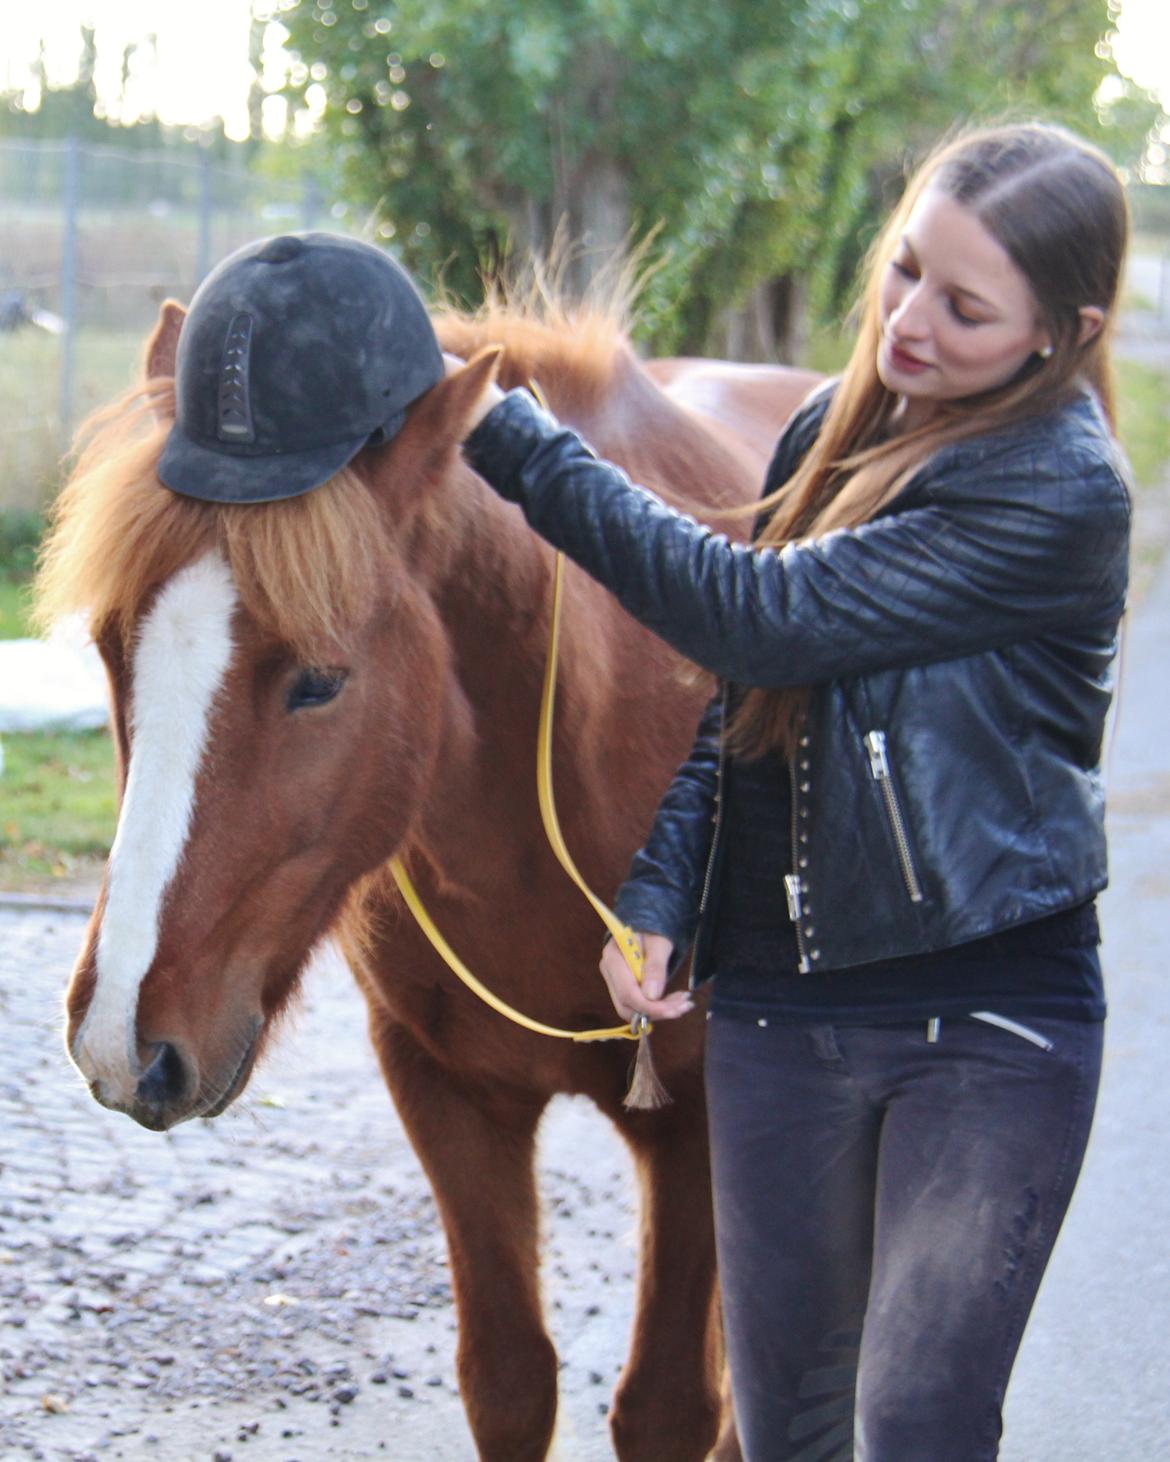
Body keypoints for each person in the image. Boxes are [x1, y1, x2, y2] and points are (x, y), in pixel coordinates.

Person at [455, 122, 1131, 1460]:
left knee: (918, 1418)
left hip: (986, 1018)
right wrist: (662, 893)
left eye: (964, 304)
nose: (906, 321)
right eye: (902, 271)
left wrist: (516, 445)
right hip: (779, 1011)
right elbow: (757, 707)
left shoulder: (1060, 490)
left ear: (1062, 333)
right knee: (788, 1429)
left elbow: (756, 620)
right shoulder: (830, 429)